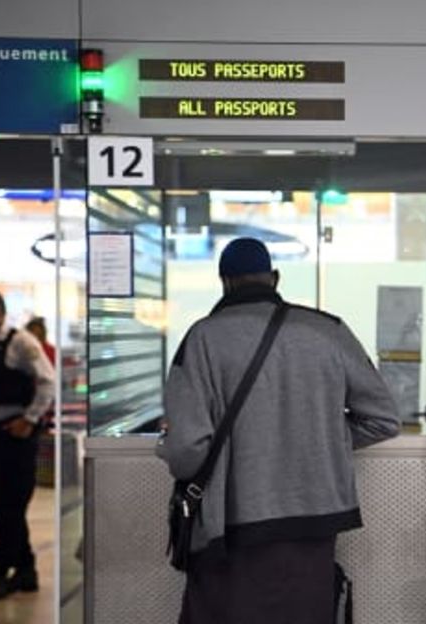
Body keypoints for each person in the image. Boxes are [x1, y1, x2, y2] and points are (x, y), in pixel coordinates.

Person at [158, 238, 400, 624]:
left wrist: (164, 447)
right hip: (316, 516)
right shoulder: (328, 331)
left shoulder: (202, 338)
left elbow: (187, 448)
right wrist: (319, 441)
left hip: (233, 521)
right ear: (274, 278)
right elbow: (384, 419)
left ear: (225, 282)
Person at [0, 290, 56, 603]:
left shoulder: (21, 342)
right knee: (1, 506)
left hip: (15, 437)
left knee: (10, 507)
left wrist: (29, 420)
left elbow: (48, 382)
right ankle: (26, 570)